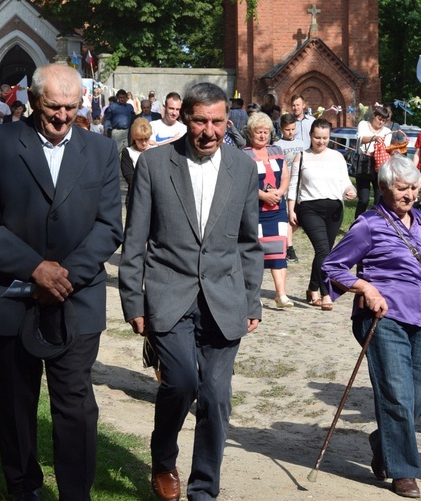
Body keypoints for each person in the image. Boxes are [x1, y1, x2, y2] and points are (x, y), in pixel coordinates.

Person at [0, 63, 123, 500]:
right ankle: (23, 487)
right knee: (14, 404)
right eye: (54, 107)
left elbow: (109, 227)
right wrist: (36, 268)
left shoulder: (102, 151)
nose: (62, 116)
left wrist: (62, 276)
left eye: (72, 107)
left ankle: (75, 492)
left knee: (75, 406)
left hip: (76, 297)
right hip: (7, 297)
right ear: (33, 101)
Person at [118, 82, 264, 501]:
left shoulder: (242, 168)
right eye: (200, 120)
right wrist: (133, 300)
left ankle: (204, 488)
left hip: (225, 297)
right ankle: (163, 460)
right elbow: (135, 239)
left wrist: (252, 298)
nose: (210, 130)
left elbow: (248, 242)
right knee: (180, 383)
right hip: (169, 294)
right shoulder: (154, 164)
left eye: (218, 121)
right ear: (185, 118)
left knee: (216, 398)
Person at [322, 155, 421, 498]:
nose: (410, 194)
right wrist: (366, 288)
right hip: (382, 317)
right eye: (403, 188)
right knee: (396, 395)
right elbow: (332, 266)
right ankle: (402, 472)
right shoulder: (368, 224)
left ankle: (384, 437)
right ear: (384, 187)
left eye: (415, 187)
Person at [288, 118, 357, 311]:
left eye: (325, 138)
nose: (321, 142)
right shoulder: (301, 156)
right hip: (309, 208)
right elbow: (293, 186)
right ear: (311, 135)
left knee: (325, 251)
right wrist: (291, 209)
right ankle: (326, 293)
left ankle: (312, 288)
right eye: (318, 137)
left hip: (334, 209)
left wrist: (350, 191)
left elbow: (345, 182)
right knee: (323, 251)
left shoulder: (337, 157)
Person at [243, 112, 293, 308]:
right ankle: (253, 295)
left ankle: (281, 295)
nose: (262, 136)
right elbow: (243, 183)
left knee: (279, 251)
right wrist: (262, 195)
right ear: (251, 133)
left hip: (277, 210)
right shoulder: (244, 154)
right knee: (257, 253)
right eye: (258, 132)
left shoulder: (277, 151)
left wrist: (280, 192)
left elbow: (286, 176)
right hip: (255, 211)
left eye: (265, 132)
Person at [275, 113, 306, 262]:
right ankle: (289, 248)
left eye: (293, 129)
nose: (290, 132)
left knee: (297, 220)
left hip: (299, 185)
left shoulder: (301, 144)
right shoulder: (277, 145)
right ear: (281, 129)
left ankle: (285, 242)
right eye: (287, 129)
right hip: (285, 186)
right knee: (289, 218)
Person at [355, 106, 393, 217]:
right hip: (364, 164)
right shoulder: (363, 124)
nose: (381, 122)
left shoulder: (387, 131)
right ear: (374, 116)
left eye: (384, 120)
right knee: (364, 199)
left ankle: (375, 222)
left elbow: (386, 149)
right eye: (379, 119)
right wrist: (374, 138)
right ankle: (358, 221)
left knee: (379, 199)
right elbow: (360, 139)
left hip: (379, 165)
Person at [120, 117, 153, 207]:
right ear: (134, 137)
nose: (143, 143)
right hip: (135, 197)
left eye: (146, 139)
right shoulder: (128, 151)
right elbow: (128, 175)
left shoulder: (155, 150)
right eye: (140, 139)